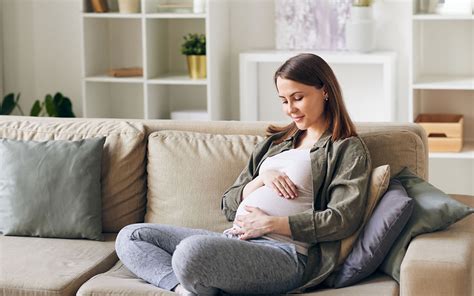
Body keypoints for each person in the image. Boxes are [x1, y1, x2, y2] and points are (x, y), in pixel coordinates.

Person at [115, 53, 372, 295]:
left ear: (325, 91)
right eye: (284, 100)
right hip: (235, 240)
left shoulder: (345, 147)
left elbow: (342, 219)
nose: (290, 109)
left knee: (190, 253)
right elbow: (228, 203)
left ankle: (197, 279)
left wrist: (273, 224)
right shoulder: (275, 144)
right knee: (131, 236)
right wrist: (262, 178)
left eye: (298, 97)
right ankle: (182, 290)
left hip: (285, 253)